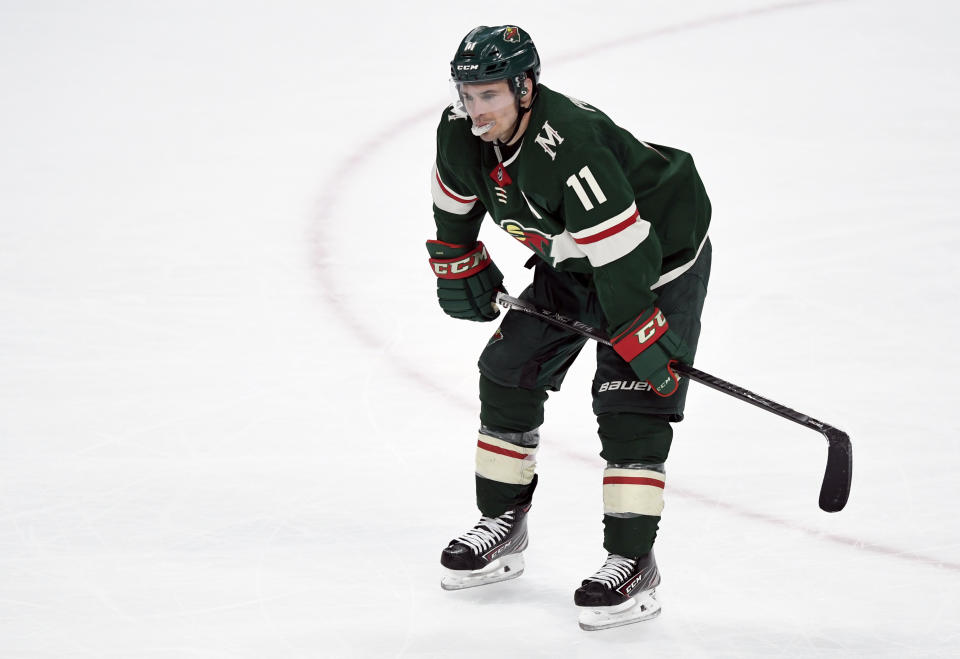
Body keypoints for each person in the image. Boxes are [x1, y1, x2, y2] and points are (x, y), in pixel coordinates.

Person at [427, 25, 711, 631]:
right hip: (577, 256)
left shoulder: (570, 142)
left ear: (525, 88)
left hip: (654, 257)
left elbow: (626, 252)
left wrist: (636, 327)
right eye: (467, 94)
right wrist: (456, 259)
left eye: (490, 96)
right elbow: (454, 197)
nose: (476, 111)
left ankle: (633, 561)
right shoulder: (460, 133)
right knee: (507, 370)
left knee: (632, 399)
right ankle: (503, 524)